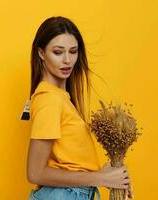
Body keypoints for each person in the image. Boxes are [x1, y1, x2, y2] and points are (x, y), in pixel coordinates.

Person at [26, 16, 134, 200]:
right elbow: (35, 173)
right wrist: (99, 178)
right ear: (41, 53)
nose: (67, 60)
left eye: (73, 51)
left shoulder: (61, 97)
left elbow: (70, 163)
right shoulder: (49, 100)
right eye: (58, 52)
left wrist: (110, 175)